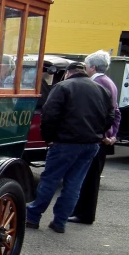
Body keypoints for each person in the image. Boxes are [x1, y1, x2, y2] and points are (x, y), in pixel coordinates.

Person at [26, 62, 115, 233]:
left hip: (65, 142)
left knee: (50, 180)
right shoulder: (100, 89)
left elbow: (50, 114)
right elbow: (110, 115)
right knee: (74, 183)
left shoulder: (63, 87)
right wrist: (98, 132)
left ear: (68, 73)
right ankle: (60, 222)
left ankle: (33, 217)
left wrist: (48, 138)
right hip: (90, 143)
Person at [68, 50, 121, 224]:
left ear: (93, 67)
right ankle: (83, 213)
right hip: (103, 137)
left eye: (86, 65)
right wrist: (112, 134)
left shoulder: (97, 84)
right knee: (90, 177)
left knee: (88, 178)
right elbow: (116, 112)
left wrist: (106, 134)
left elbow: (103, 113)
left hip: (96, 138)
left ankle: (84, 213)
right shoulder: (109, 82)